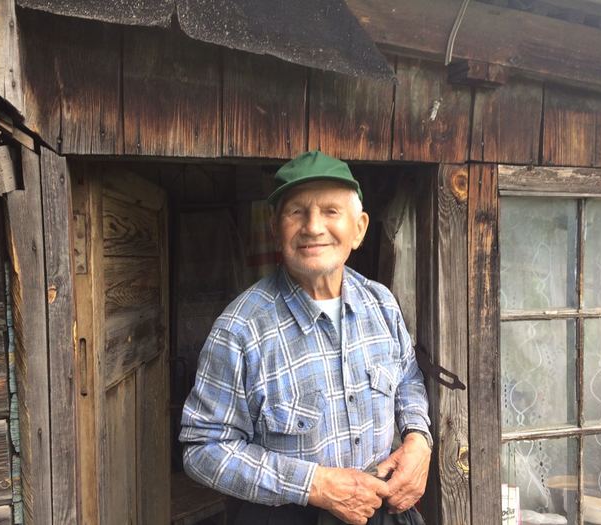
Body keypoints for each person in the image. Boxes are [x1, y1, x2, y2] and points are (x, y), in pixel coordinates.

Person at [180, 151, 431, 525]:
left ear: (359, 228)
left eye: (331, 211)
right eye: (297, 211)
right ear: (274, 227)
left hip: (382, 511)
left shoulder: (382, 304)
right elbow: (203, 451)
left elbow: (408, 378)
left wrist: (418, 439)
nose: (313, 227)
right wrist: (314, 485)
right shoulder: (240, 329)